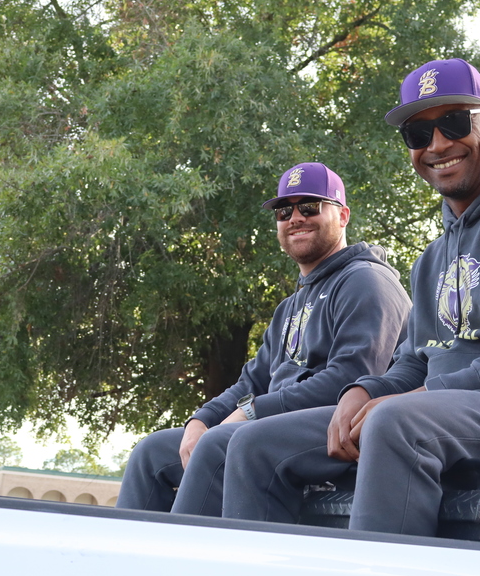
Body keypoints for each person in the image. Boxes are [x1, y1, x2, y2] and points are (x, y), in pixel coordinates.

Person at [221, 58, 480, 536]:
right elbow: (414, 361)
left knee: (397, 422)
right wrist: (361, 392)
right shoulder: (433, 257)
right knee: (252, 443)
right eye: (418, 134)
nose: (437, 144)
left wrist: (421, 397)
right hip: (448, 414)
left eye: (454, 122)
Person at [116, 162, 412, 516]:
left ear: (343, 215)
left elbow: (351, 379)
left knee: (220, 444)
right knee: (151, 453)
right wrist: (202, 419)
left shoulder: (366, 281)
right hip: (273, 424)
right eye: (284, 211)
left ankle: (189, 564)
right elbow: (251, 381)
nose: (295, 218)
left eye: (310, 207)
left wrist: (252, 412)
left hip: (339, 428)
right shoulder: (290, 306)